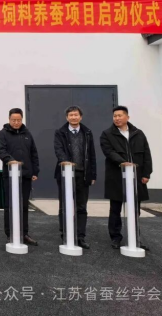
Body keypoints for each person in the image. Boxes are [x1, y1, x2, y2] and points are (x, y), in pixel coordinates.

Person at [100, 105, 152, 251]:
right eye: (115, 116)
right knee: (115, 210)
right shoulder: (107, 134)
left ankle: (135, 238)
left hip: (136, 177)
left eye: (120, 115)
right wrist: (122, 162)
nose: (117, 118)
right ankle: (116, 238)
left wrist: (146, 174)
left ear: (127, 117)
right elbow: (109, 152)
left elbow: (147, 155)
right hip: (116, 177)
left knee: (135, 210)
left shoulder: (138, 133)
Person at [53, 105, 97, 249]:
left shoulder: (87, 133)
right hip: (65, 173)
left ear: (80, 117)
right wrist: (66, 162)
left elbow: (92, 154)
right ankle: (65, 234)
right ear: (67, 117)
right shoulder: (60, 132)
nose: (73, 117)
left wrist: (92, 174)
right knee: (64, 206)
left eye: (76, 115)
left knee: (81, 206)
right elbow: (58, 150)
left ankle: (80, 236)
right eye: (71, 115)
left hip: (83, 174)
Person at [0, 108, 40, 246]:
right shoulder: (3, 133)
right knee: (10, 205)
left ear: (22, 120)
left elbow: (33, 153)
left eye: (18, 120)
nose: (16, 122)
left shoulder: (27, 134)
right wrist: (11, 161)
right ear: (9, 119)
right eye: (13, 120)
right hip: (10, 175)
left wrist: (35, 171)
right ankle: (10, 233)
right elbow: (1, 151)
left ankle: (24, 233)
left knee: (24, 205)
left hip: (25, 175)